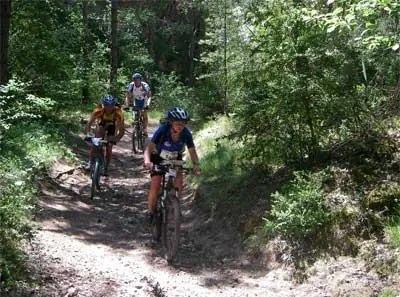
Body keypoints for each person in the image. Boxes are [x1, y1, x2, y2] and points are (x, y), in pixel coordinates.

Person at [143, 107, 201, 224]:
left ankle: (175, 205)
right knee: (155, 184)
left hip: (175, 157)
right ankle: (150, 211)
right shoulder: (162, 131)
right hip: (158, 157)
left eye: (183, 124)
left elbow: (192, 151)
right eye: (177, 123)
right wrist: (147, 162)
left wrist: (196, 165)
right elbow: (149, 148)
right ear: (171, 123)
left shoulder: (186, 133)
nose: (180, 126)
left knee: (179, 178)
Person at [84, 95, 125, 176]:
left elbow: (121, 130)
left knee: (109, 147)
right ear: (103, 105)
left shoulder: (118, 113)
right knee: (95, 142)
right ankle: (90, 162)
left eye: (111, 105)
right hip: (101, 124)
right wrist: (88, 134)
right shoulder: (98, 110)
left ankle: (106, 167)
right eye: (106, 105)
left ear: (114, 105)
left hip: (112, 126)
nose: (108, 107)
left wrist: (116, 138)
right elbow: (89, 123)